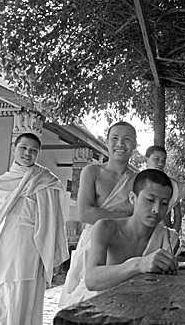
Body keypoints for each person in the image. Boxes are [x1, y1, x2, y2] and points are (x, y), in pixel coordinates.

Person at [0, 132, 69, 325]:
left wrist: (51, 251)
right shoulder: (2, 183)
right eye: (23, 148)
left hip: (32, 247)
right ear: (14, 148)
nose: (28, 153)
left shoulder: (45, 181)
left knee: (26, 297)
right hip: (5, 247)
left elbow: (53, 219)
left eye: (33, 151)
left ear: (38, 154)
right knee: (2, 295)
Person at [75, 169, 185, 301]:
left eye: (164, 203)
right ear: (133, 198)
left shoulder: (169, 238)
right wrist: (138, 264)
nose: (157, 209)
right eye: (150, 200)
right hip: (103, 306)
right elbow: (92, 280)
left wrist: (177, 256)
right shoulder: (106, 228)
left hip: (145, 305)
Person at [60, 121, 138, 307]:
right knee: (87, 300)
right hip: (93, 242)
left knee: (119, 300)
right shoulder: (92, 172)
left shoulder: (138, 179)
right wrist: (129, 219)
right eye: (115, 139)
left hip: (125, 244)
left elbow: (145, 216)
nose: (120, 144)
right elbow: (85, 213)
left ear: (134, 145)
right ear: (107, 142)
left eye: (127, 140)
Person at [145, 145, 185, 232]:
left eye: (163, 160)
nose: (161, 164)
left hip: (164, 232)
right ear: (146, 159)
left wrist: (174, 234)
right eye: (157, 159)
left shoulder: (170, 184)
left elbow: (177, 214)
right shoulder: (137, 182)